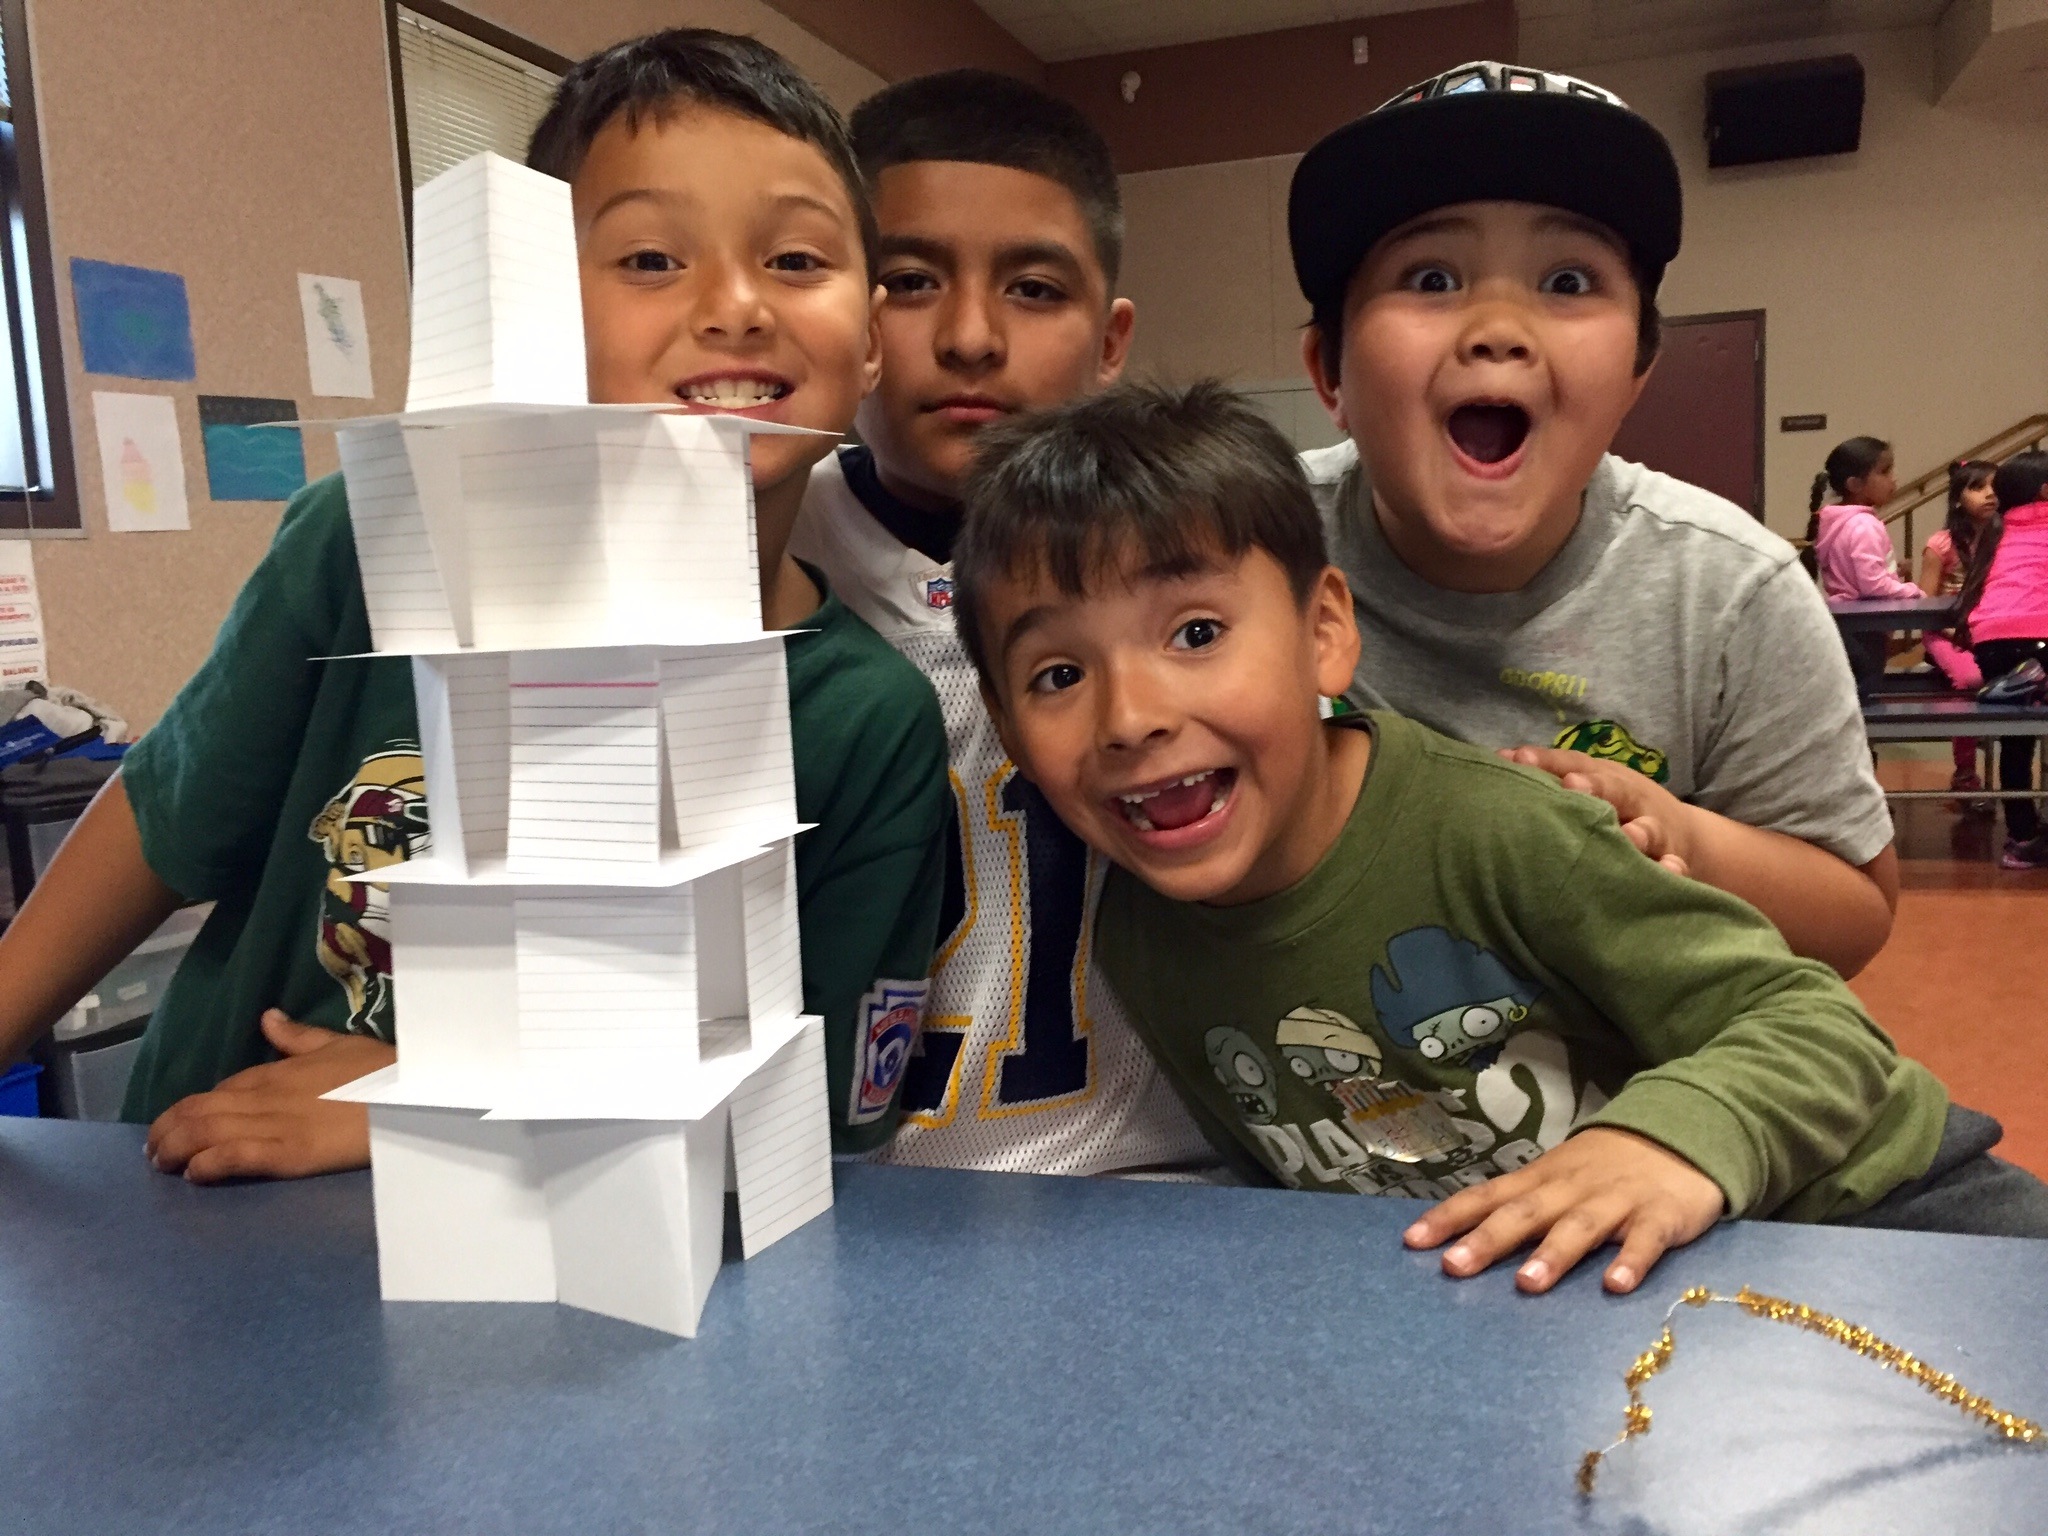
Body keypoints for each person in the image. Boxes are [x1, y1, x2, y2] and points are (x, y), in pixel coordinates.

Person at [0, 29, 949, 1177]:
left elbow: (810, 1114)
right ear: (533, 315)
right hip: (201, 1186)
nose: (734, 306)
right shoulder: (371, 542)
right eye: (650, 259)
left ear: (871, 347)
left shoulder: (863, 718)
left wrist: (433, 1103)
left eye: (795, 261)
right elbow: (159, 827)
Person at [950, 380, 2048, 1295]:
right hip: (1623, 1304)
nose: (1129, 714)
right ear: (1005, 725)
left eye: (1194, 633)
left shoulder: (1499, 834)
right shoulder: (1142, 941)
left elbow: (1819, 1032)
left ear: (1324, 633)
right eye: (1058, 673)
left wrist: (1657, 1143)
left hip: (1876, 1211)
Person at [1290, 62, 1899, 980]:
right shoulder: (1248, 543)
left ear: (1636, 374)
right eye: (1431, 275)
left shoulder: (1731, 592)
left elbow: (1856, 911)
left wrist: (1675, 829)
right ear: (1329, 373)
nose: (1498, 328)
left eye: (1569, 280)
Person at [789, 70, 1215, 1175]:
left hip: (1159, 1189)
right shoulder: (770, 554)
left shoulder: (1210, 554)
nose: (971, 337)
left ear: (1110, 338)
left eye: (1032, 289)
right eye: (909, 279)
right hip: (846, 1201)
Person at [1955, 451, 2048, 869]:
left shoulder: (1999, 531)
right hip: (2037, 635)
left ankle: (2020, 839)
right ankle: (2035, 674)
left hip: (1990, 640)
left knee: (2016, 741)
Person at [1919, 459, 1998, 801]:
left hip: (1989, 632)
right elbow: (1924, 606)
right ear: (1956, 499)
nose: (1989, 494)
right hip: (1946, 635)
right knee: (1968, 681)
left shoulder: (2007, 539)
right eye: (1978, 487)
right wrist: (1956, 634)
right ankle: (1965, 770)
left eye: (1995, 487)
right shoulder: (1940, 545)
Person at [1808, 436, 1918, 602]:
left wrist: (1894, 572)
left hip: (1846, 618)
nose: (1893, 478)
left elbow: (1854, 577)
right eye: (1884, 472)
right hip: (1868, 621)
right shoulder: (1864, 525)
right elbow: (1873, 586)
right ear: (1854, 484)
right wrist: (1911, 590)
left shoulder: (1836, 522)